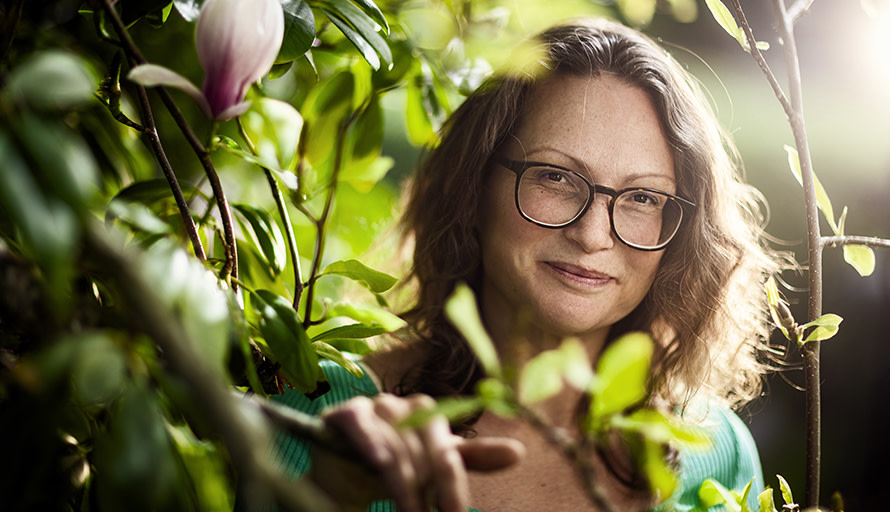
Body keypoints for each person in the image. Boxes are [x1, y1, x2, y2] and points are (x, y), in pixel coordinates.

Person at [271, 17, 779, 512]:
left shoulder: (718, 453)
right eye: (555, 177)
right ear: (474, 185)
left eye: (643, 197)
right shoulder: (323, 422)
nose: (592, 235)